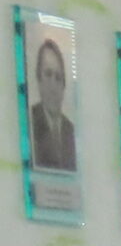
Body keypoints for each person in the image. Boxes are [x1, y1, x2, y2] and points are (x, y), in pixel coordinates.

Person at [28, 36, 73, 172]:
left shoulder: (71, 131)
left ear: (63, 86)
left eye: (58, 78)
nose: (53, 86)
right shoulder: (29, 121)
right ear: (39, 79)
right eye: (48, 74)